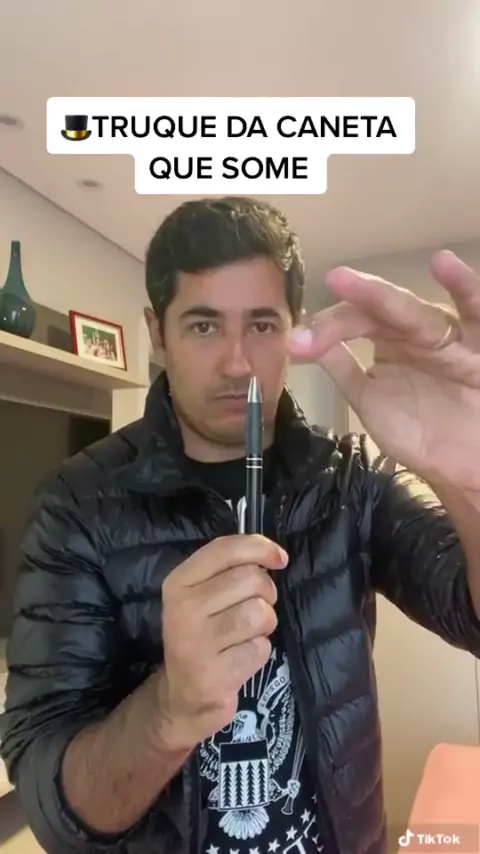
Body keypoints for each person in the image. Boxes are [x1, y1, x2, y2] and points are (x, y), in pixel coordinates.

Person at [1, 196, 480, 854]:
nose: (236, 363)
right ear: (157, 332)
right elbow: (53, 808)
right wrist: (171, 709)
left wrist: (466, 479)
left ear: (293, 330)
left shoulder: (349, 478)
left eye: (261, 325)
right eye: (203, 325)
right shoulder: (76, 504)